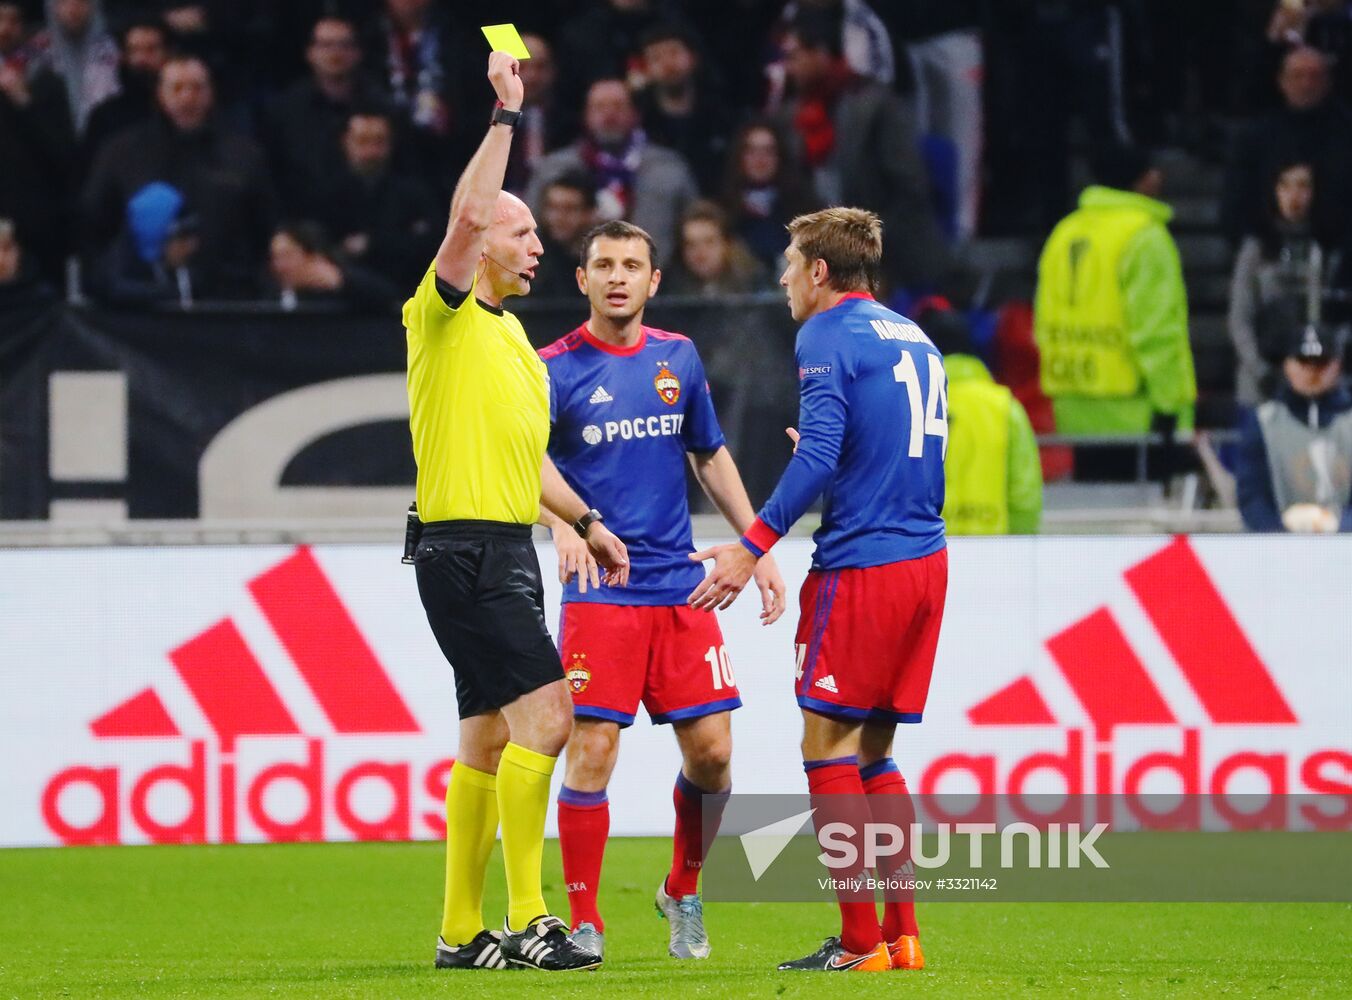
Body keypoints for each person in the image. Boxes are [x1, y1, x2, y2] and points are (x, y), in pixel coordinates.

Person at [405, 51, 627, 974]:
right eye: (524, 230)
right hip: (464, 550)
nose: (541, 246)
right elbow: (466, 212)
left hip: (504, 548)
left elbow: (523, 459)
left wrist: (580, 521)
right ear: (485, 241)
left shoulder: (516, 349)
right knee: (549, 719)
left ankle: (462, 931)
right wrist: (505, 114)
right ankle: (535, 918)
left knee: (490, 735)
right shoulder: (444, 311)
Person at [688, 207, 947, 974]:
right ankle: (903, 938)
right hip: (925, 561)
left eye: (792, 264)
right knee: (876, 750)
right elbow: (901, 447)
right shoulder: (915, 336)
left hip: (863, 567)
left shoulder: (824, 335)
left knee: (824, 746)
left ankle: (859, 942)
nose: (783, 279)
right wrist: (839, 459)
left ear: (822, 273)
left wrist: (751, 545)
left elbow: (824, 449)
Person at [538, 219, 786, 962]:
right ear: (581, 279)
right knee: (593, 751)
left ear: (653, 281)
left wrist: (758, 545)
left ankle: (684, 886)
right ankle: (587, 922)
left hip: (680, 591)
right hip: (602, 592)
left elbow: (709, 455)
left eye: (632, 265)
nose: (618, 276)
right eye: (604, 264)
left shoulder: (676, 357)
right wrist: (560, 526)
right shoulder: (552, 368)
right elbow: (525, 464)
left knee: (713, 756)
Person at [776, 13, 959, 295]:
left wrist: (863, 248)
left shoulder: (875, 106)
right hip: (826, 258)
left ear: (821, 54)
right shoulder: (790, 116)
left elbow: (909, 187)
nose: (788, 67)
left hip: (894, 257)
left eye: (794, 56)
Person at [1034, 144, 1196, 436]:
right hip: (1137, 410)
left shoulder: (1064, 232)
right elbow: (1156, 331)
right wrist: (1170, 403)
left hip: (1072, 404)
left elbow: (1043, 319)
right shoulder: (1145, 238)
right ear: (1145, 179)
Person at [83, 55, 276, 300]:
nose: (187, 98)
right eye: (176, 89)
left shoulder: (245, 155)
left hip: (229, 300)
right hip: (143, 303)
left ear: (211, 94)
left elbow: (266, 228)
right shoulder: (122, 152)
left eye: (197, 88)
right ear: (160, 95)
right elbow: (95, 224)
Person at [525, 78, 698, 265]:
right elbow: (528, 231)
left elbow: (696, 229)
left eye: (618, 106)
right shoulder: (553, 170)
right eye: (599, 107)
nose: (609, 115)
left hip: (661, 287)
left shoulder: (669, 167)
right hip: (566, 286)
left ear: (636, 114)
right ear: (585, 115)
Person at [1228, 161, 1345, 407]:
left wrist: (1327, 371)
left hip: (1319, 383)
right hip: (1262, 385)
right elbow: (1240, 319)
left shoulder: (1329, 250)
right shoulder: (1256, 249)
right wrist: (1260, 370)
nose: (1294, 195)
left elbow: (1339, 318)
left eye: (1303, 186)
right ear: (1274, 190)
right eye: (1285, 185)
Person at [919, 302, 1042, 534]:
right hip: (993, 553)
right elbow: (1024, 495)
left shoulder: (905, 402)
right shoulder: (1004, 407)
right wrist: (1018, 544)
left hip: (923, 551)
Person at [1222, 46, 1352, 246]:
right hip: (1267, 248)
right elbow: (1235, 205)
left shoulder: (1345, 134)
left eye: (1315, 76)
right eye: (1298, 76)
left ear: (1328, 83)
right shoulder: (1255, 137)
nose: (1306, 84)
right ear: (1282, 82)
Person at [265, 16, 389, 216]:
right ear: (310, 53)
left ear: (357, 53)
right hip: (305, 218)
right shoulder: (286, 111)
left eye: (344, 45)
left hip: (370, 217)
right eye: (326, 45)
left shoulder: (380, 105)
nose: (335, 53)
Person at [1236, 323, 1352, 532]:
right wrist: (1279, 535)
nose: (1312, 372)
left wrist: (1342, 528)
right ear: (1287, 365)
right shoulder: (1264, 422)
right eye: (1303, 362)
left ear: (1337, 365)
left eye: (1321, 363)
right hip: (1278, 550)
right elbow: (1251, 494)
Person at [311, 107, 439, 289]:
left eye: (379, 142)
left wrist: (372, 245)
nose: (371, 152)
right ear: (345, 142)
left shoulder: (413, 195)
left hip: (405, 293)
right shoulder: (325, 194)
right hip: (339, 299)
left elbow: (428, 244)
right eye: (363, 141)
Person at [632, 22, 731, 194]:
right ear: (646, 68)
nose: (668, 64)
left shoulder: (721, 115)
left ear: (693, 58)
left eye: (674, 53)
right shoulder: (638, 120)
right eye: (656, 57)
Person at [720, 119, 818, 272]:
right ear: (740, 156)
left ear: (779, 156)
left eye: (768, 151)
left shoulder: (805, 208)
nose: (760, 159)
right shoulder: (723, 208)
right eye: (751, 151)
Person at [82, 18, 167, 160]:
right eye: (134, 50)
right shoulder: (104, 116)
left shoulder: (181, 111)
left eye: (151, 49)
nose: (141, 59)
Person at [29, 0, 119, 133]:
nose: (73, 9)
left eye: (82, 2)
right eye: (64, 3)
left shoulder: (114, 53)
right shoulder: (38, 55)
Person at [662, 200, 770, 296]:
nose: (700, 252)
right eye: (690, 244)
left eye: (709, 242)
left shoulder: (754, 285)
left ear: (727, 243)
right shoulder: (669, 292)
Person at [530, 173, 597, 298]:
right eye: (552, 208)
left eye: (570, 209)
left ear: (590, 213)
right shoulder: (531, 264)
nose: (558, 218)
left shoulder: (601, 265)